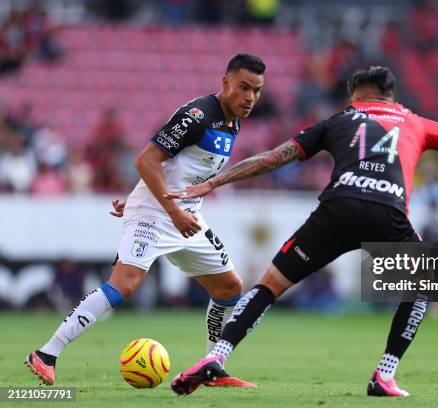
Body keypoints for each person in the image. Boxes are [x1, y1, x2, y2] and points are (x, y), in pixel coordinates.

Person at [166, 66, 438, 397]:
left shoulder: (341, 118)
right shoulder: (417, 122)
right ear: (391, 95)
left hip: (337, 209)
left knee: (268, 286)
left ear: (358, 94)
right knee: (421, 286)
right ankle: (384, 374)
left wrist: (214, 182)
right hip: (387, 212)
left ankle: (217, 357)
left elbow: (273, 157)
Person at [24, 53, 266, 388]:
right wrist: (161, 206)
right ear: (225, 82)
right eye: (243, 87)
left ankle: (211, 368)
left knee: (230, 287)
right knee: (124, 284)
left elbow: (175, 167)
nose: (250, 97)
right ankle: (46, 353)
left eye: (256, 90)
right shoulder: (197, 115)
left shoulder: (233, 121)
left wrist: (150, 199)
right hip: (162, 213)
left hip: (185, 215)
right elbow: (146, 160)